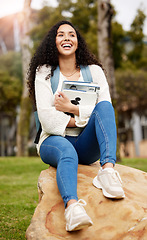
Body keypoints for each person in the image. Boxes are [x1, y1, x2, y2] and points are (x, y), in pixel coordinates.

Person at [27, 20, 125, 232]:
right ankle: (72, 209)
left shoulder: (95, 71)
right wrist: (85, 118)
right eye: (60, 34)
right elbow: (48, 120)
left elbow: (105, 112)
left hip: (86, 143)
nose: (66, 38)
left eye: (71, 34)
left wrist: (73, 108)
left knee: (106, 107)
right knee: (67, 151)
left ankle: (107, 172)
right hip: (53, 141)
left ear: (78, 42)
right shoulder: (44, 72)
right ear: (53, 42)